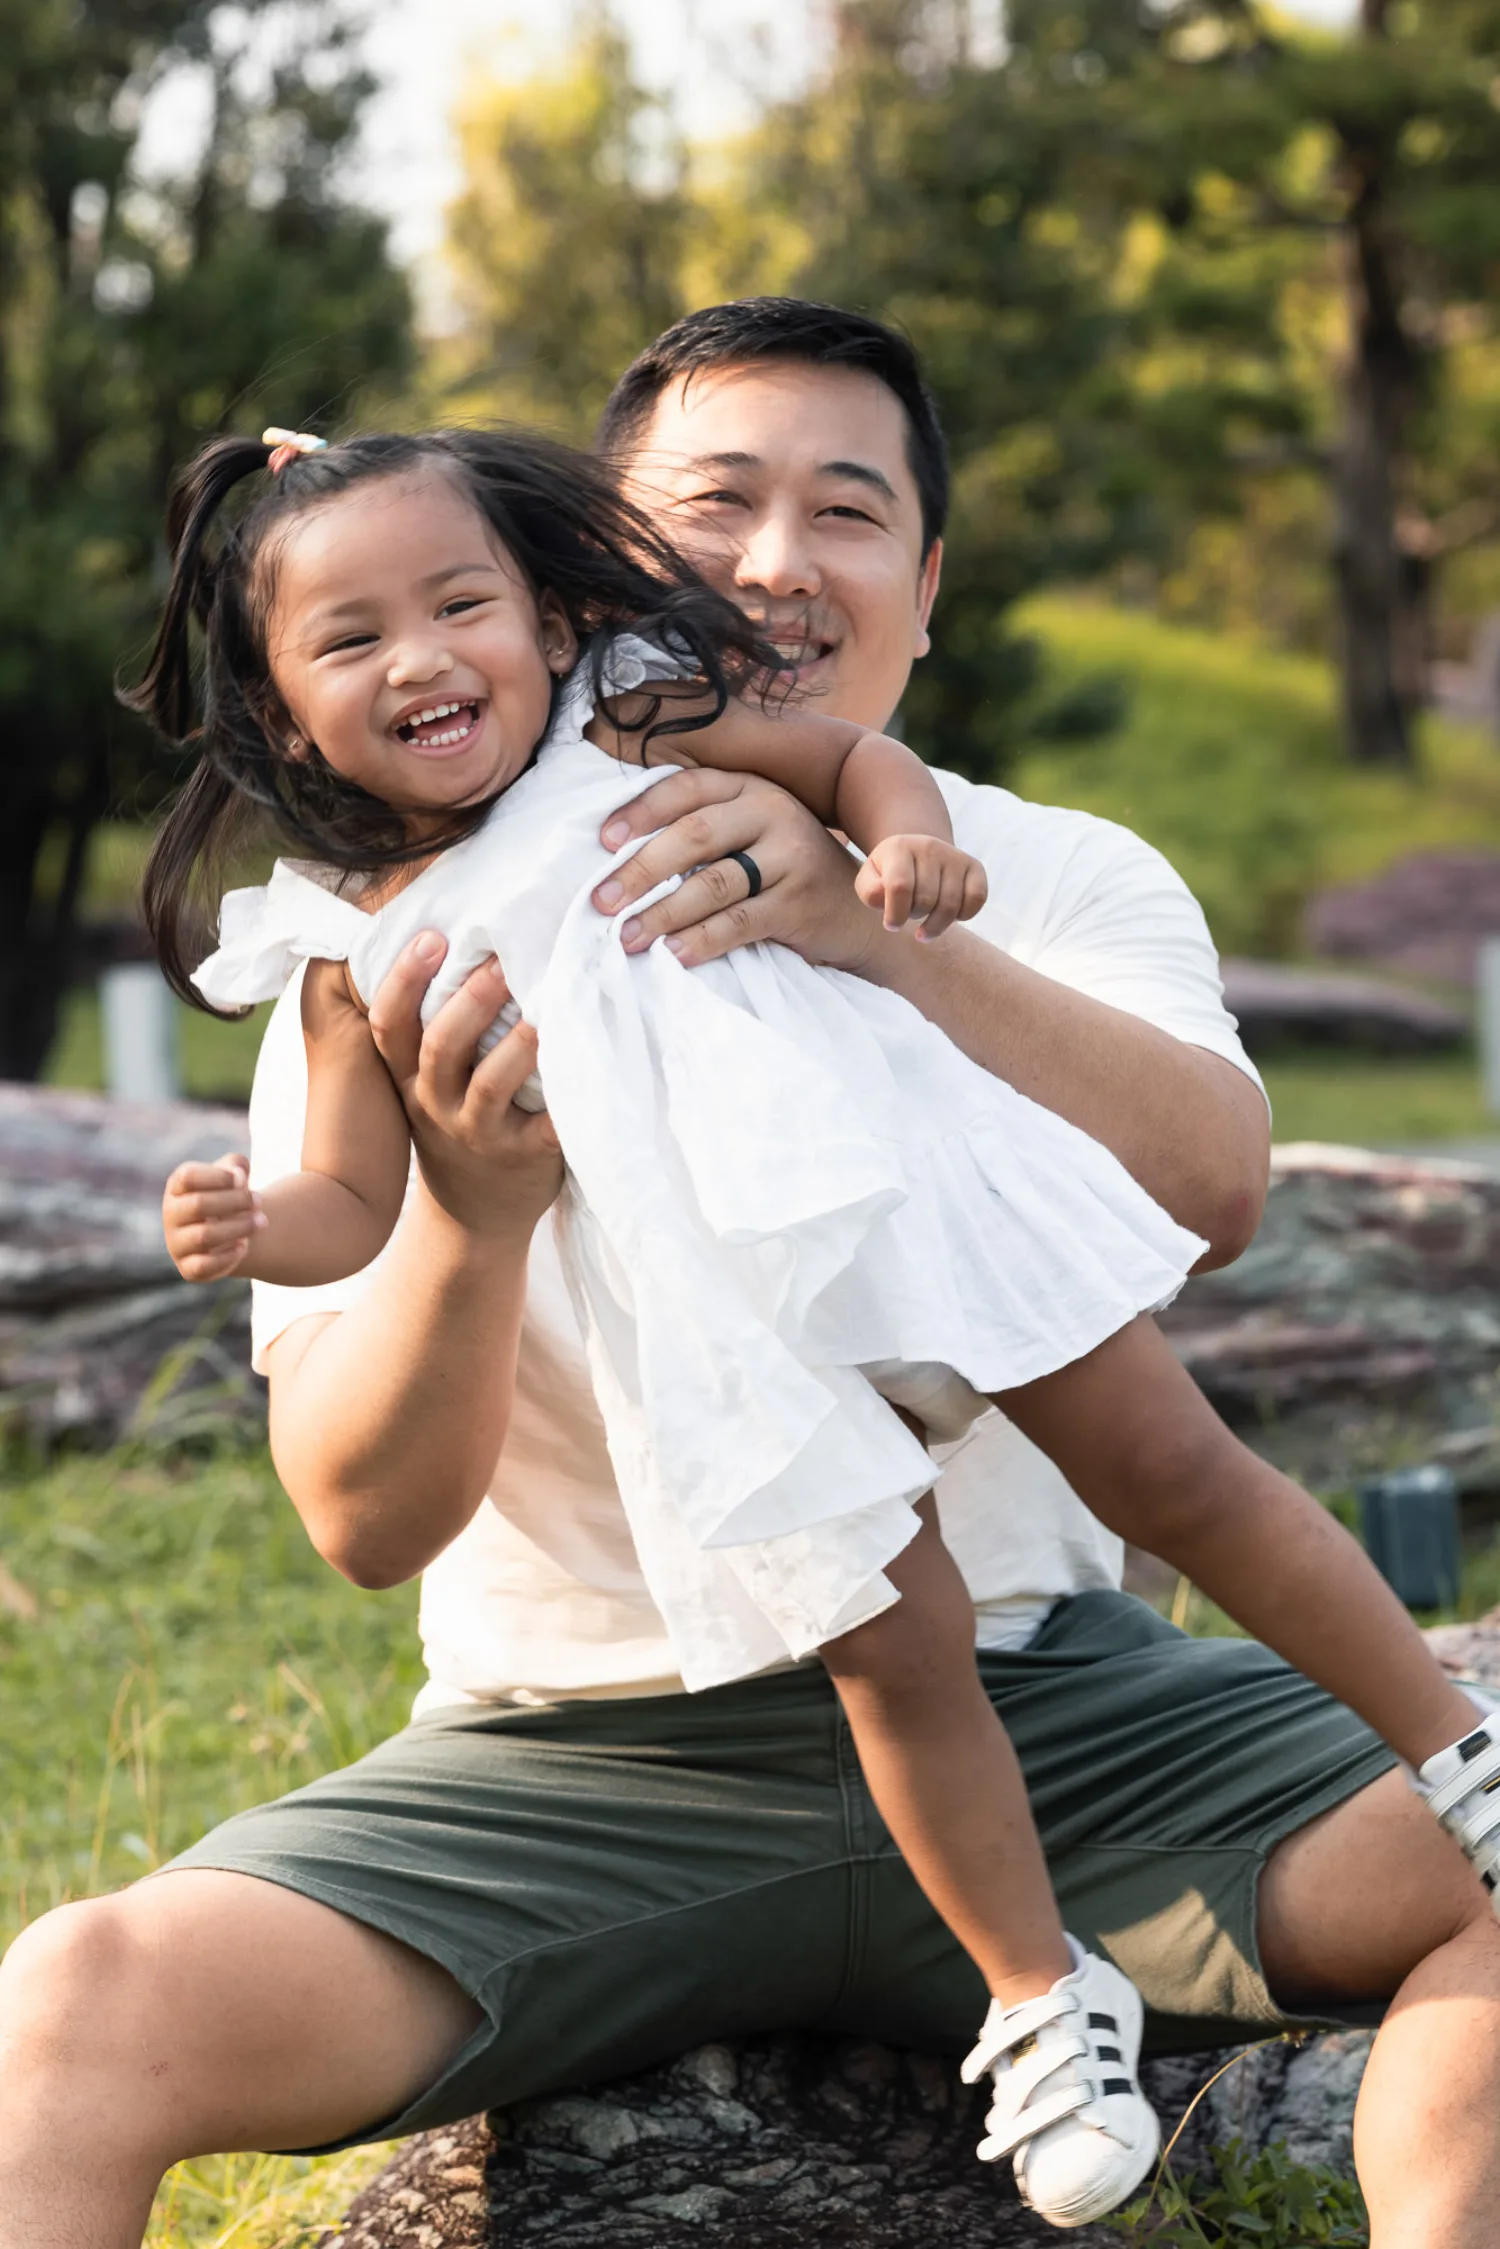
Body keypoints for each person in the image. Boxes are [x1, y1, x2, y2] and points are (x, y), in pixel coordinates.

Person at [2, 301, 1498, 2249]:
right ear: (591, 565)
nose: (778, 558)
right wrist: (469, 1208)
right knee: (73, 2007)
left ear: (929, 580)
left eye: (847, 507)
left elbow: (1210, 1188)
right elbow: (364, 1515)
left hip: (1080, 1734)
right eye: (716, 499)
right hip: (586, 1769)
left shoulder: (1046, 872)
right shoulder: (391, 949)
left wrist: (891, 939)